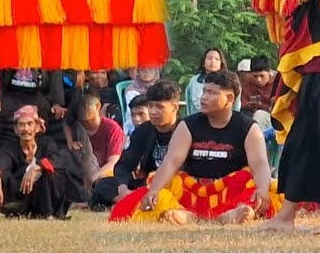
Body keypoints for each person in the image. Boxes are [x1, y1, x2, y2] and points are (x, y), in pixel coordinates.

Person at [114, 70, 274, 225]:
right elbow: (171, 161)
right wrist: (154, 190)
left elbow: (260, 164)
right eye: (204, 91)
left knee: (257, 184)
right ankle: (192, 215)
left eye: (211, 93)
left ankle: (225, 214)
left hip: (229, 192)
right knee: (166, 186)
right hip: (193, 191)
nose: (203, 97)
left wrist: (263, 189)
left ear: (229, 98)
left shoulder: (248, 128)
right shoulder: (188, 125)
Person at [89, 80, 181, 210]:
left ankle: (131, 202)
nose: (153, 112)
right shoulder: (144, 130)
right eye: (151, 106)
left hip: (175, 183)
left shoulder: (185, 130)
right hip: (147, 183)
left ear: (175, 107)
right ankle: (129, 199)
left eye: (159, 107)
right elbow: (124, 165)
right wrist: (123, 188)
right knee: (104, 184)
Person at [0, 106, 82, 219]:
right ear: (15, 129)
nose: (26, 129)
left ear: (37, 127)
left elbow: (58, 158)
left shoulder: (47, 143)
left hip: (47, 195)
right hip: (24, 197)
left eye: (29, 124)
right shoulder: (10, 147)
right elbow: (1, 164)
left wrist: (37, 167)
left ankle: (47, 213)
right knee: (2, 178)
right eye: (21, 124)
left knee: (52, 174)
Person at [77, 95, 124, 184]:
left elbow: (113, 163)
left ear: (98, 106)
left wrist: (92, 178)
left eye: (88, 106)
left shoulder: (112, 128)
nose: (84, 109)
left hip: (104, 174)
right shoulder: (76, 129)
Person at [184, 48, 236, 113]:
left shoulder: (229, 81)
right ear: (203, 62)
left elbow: (236, 105)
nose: (213, 61)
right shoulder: (195, 81)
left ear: (221, 63)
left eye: (216, 59)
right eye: (209, 58)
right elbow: (189, 103)